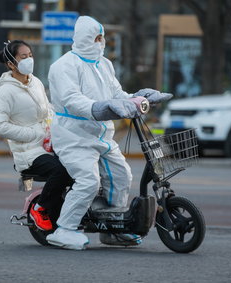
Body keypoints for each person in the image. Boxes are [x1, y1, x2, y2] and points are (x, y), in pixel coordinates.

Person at [45, 16, 172, 250]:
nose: (101, 42)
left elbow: (116, 93)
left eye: (102, 38)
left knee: (122, 175)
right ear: (84, 38)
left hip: (102, 135)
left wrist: (139, 98)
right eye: (96, 38)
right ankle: (64, 229)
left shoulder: (104, 64)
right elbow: (73, 101)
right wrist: (101, 108)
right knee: (88, 182)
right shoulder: (63, 66)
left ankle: (112, 228)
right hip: (74, 137)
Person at [0, 40, 73, 231]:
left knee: (80, 165)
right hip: (28, 152)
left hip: (48, 144)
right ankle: (40, 207)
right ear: (11, 63)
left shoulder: (35, 81)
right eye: (23, 56)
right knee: (62, 171)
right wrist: (33, 133)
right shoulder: (6, 91)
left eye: (30, 55)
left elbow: (47, 110)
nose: (29, 60)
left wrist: (60, 123)